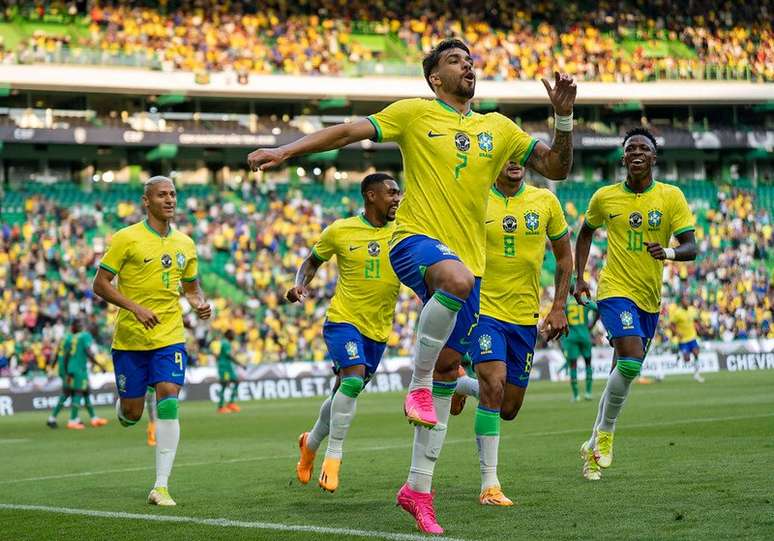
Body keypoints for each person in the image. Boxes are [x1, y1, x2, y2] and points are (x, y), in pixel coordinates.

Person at [248, 38, 576, 533]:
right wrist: (285, 149)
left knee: (448, 375)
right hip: (414, 243)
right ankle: (416, 382)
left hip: (469, 273)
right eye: (453, 60)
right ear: (434, 79)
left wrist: (564, 121)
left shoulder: (498, 128)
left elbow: (557, 167)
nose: (467, 64)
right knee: (453, 288)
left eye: (469, 58)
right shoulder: (414, 114)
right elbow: (347, 131)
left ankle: (417, 489)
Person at [574, 127, 697, 481]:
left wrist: (669, 252)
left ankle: (593, 448)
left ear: (654, 157)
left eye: (644, 147)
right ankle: (608, 434)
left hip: (649, 299)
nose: (637, 152)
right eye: (631, 148)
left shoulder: (671, 197)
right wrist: (580, 277)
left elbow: (691, 246)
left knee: (623, 374)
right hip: (614, 290)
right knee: (628, 363)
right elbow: (585, 232)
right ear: (624, 157)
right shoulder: (604, 197)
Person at [448, 161, 572, 505]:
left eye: (520, 155)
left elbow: (564, 256)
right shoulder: (475, 198)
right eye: (507, 155)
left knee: (508, 407)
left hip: (524, 316)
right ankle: (490, 485)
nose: (515, 162)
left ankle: (459, 384)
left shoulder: (545, 201)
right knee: (494, 383)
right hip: (484, 311)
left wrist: (558, 305)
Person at [93, 175, 212, 506]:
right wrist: (134, 307)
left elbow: (191, 287)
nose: (170, 199)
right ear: (147, 201)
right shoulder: (126, 238)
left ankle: (161, 486)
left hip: (170, 336)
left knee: (169, 397)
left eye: (173, 193)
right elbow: (100, 284)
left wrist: (199, 303)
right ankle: (129, 405)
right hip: (130, 338)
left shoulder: (186, 243)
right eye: (162, 195)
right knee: (130, 415)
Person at [292, 173, 401, 493]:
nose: (397, 198)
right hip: (343, 320)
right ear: (370, 195)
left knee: (343, 391)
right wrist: (300, 284)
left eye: (398, 193)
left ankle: (309, 444)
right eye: (391, 193)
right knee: (352, 380)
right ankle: (333, 458)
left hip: (379, 330)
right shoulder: (340, 230)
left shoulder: (405, 230)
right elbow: (311, 262)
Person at [58, 319, 109, 429]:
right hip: (79, 368)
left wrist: (67, 369)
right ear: (93, 329)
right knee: (78, 392)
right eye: (97, 331)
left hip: (76, 367)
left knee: (86, 392)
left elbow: (67, 353)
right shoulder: (86, 336)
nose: (97, 333)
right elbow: (88, 352)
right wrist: (100, 365)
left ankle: (94, 418)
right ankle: (72, 420)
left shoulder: (77, 336)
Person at [563, 288, 599, 401]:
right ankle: (588, 393)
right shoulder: (583, 300)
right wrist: (592, 324)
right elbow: (598, 309)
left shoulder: (565, 302)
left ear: (568, 290)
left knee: (573, 365)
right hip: (584, 334)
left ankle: (576, 395)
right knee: (588, 363)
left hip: (571, 336)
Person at [669, 295, 704, 383]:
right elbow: (671, 325)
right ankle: (679, 355)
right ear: (681, 302)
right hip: (683, 340)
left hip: (692, 337)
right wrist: (677, 333)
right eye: (685, 300)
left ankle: (696, 374)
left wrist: (699, 327)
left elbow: (696, 320)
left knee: (696, 353)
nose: (687, 301)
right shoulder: (677, 313)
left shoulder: (692, 310)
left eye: (688, 300)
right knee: (687, 359)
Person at [216, 330, 244, 413]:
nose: (234, 336)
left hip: (228, 367)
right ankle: (220, 407)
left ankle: (231, 403)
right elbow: (230, 356)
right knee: (224, 384)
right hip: (224, 368)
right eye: (233, 334)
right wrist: (240, 364)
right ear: (228, 335)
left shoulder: (227, 343)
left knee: (236, 381)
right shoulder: (225, 343)